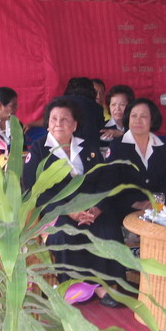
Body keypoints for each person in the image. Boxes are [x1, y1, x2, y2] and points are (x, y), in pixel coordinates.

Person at [22, 97, 119, 308]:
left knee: (107, 227)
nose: (59, 123)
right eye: (54, 119)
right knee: (65, 233)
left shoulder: (88, 146)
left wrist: (97, 208)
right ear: (48, 124)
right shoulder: (39, 149)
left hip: (88, 208)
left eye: (65, 119)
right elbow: (32, 187)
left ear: (74, 125)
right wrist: (68, 210)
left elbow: (104, 180)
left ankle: (107, 283)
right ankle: (79, 288)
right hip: (55, 210)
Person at [106, 97, 166, 213]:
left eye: (143, 116)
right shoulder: (117, 146)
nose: (138, 120)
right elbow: (109, 182)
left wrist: (158, 201)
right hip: (125, 209)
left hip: (157, 208)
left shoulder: (163, 145)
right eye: (134, 116)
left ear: (152, 120)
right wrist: (135, 203)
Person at [63, 77, 104, 147]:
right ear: (91, 90)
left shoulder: (57, 104)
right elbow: (100, 130)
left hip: (60, 146)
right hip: (88, 147)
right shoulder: (96, 107)